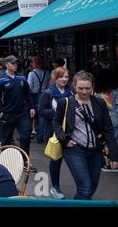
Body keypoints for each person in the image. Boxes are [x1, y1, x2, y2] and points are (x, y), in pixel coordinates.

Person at [53, 71, 118, 200]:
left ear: (92, 86)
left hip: (96, 151)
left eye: (87, 88)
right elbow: (56, 122)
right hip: (74, 150)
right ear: (74, 86)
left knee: (90, 189)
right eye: (80, 88)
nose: (84, 92)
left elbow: (108, 129)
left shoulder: (100, 103)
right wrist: (65, 140)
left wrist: (114, 156)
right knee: (85, 188)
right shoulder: (65, 103)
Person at [38, 67, 74, 199]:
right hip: (54, 131)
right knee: (56, 159)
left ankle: (83, 189)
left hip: (71, 131)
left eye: (66, 76)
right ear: (55, 77)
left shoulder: (72, 92)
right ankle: (55, 187)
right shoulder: (48, 93)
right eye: (61, 76)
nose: (64, 79)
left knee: (75, 159)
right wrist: (58, 113)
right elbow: (41, 111)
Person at [0, 55, 35, 160]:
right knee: (6, 138)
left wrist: (32, 107)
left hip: (22, 113)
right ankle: (4, 159)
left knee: (25, 136)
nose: (15, 65)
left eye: (16, 63)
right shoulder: (0, 79)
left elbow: (27, 94)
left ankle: (25, 161)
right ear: (7, 64)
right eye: (12, 63)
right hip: (8, 113)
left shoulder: (22, 77)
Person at [28, 56, 51, 142]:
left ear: (34, 63)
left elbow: (29, 86)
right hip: (44, 95)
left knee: (31, 114)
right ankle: (40, 137)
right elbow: (48, 85)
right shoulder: (47, 73)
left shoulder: (31, 74)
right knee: (42, 117)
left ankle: (28, 134)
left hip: (34, 96)